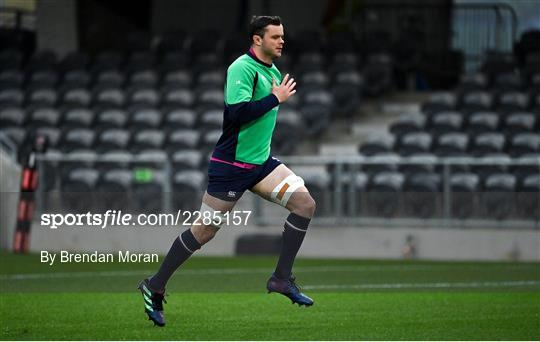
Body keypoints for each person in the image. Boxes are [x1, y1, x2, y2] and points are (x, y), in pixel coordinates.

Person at [138, 15, 316, 327]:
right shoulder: (241, 68)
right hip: (231, 166)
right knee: (204, 232)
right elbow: (236, 113)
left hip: (260, 164)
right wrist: (275, 98)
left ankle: (281, 278)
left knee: (305, 204)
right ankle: (154, 286)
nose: (281, 41)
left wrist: (275, 97)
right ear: (257, 40)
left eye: (282, 36)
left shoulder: (272, 71)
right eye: (275, 36)